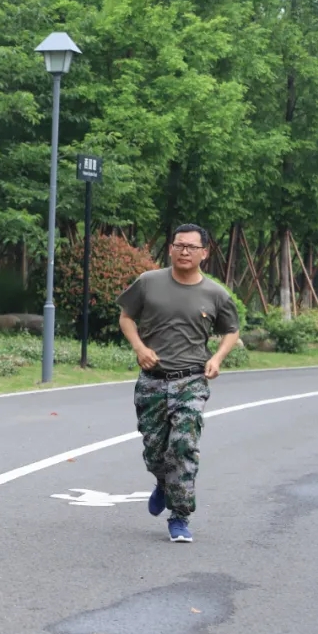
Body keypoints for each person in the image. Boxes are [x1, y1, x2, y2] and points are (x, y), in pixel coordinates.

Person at [116, 223, 241, 543]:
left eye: (191, 247)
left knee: (184, 447)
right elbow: (126, 317)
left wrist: (217, 359)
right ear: (170, 248)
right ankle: (163, 482)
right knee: (155, 451)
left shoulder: (216, 293)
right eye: (179, 245)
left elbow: (231, 331)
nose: (185, 252)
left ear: (204, 253)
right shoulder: (148, 283)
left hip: (191, 381)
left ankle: (180, 516)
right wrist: (140, 348)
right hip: (152, 382)